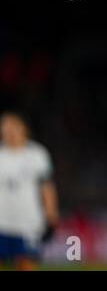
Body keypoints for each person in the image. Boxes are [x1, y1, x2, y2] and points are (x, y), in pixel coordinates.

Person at [0, 112, 59, 270]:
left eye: (13, 126)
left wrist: (51, 214)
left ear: (23, 128)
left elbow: (47, 187)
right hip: (1, 222)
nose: (8, 130)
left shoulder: (37, 154)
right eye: (5, 126)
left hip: (28, 223)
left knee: (26, 264)